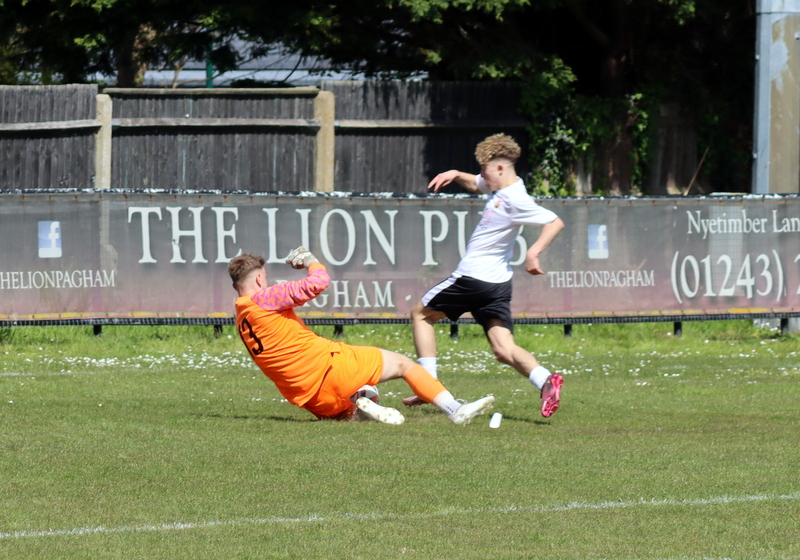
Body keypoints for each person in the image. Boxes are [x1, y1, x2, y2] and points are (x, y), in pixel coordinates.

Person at [228, 246, 495, 425]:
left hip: (309, 398)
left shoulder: (241, 318)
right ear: (260, 279)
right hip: (331, 368)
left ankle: (361, 402)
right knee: (404, 364)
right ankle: (454, 409)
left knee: (348, 416)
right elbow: (318, 282)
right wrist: (309, 260)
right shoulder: (264, 297)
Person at [407, 133, 566, 417]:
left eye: (485, 170)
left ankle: (427, 385)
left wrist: (533, 253)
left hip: (474, 278)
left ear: (501, 168)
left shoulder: (515, 198)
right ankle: (546, 381)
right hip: (497, 285)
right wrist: (456, 174)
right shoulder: (501, 185)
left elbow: (555, 222)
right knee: (504, 349)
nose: (482, 176)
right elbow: (475, 183)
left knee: (420, 314)